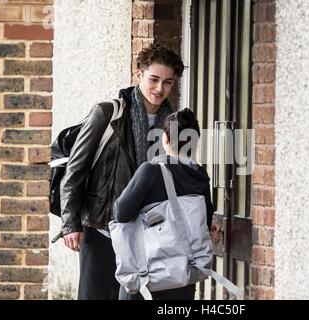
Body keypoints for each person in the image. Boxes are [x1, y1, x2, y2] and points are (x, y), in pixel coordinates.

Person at [59, 43, 185, 300]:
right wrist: (70, 223)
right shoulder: (108, 113)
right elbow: (76, 169)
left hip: (148, 233)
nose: (160, 89)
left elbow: (184, 176)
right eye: (154, 79)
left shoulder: (178, 123)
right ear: (138, 75)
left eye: (168, 82)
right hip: (102, 227)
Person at [113, 108, 214, 300]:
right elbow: (205, 223)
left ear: (165, 139)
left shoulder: (150, 171)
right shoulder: (200, 176)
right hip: (183, 276)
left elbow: (121, 213)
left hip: (148, 278)